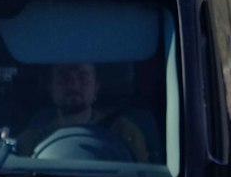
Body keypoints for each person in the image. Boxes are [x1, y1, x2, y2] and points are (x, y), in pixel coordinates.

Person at [15, 62, 148, 161]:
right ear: (50, 88)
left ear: (96, 88)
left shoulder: (124, 131)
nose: (74, 85)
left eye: (83, 77)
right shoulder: (32, 140)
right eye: (64, 78)